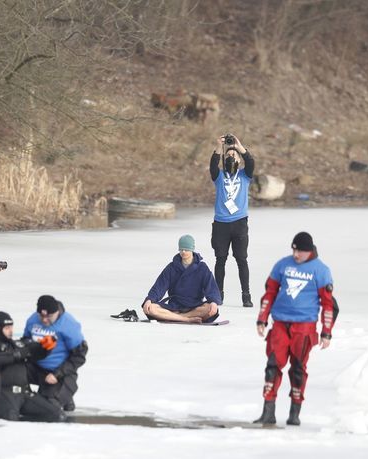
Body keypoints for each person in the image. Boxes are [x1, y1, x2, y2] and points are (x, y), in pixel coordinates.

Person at [253, 232, 336, 426]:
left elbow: (328, 304)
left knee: (298, 368)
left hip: (304, 326)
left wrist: (326, 332)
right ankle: (268, 412)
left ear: (309, 251)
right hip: (280, 324)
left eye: (300, 251)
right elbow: (269, 293)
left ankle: (294, 412)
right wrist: (262, 318)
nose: (296, 255)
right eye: (294, 250)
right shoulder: (282, 265)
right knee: (273, 365)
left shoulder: (321, 270)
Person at [0, 311, 63, 422]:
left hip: (23, 393)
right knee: (10, 419)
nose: (11, 331)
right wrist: (15, 356)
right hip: (0, 395)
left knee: (55, 414)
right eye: (7, 328)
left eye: (11, 327)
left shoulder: (16, 345)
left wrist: (45, 347)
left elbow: (33, 350)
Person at [210, 134, 255, 307]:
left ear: (239, 160)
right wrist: (218, 146)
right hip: (221, 224)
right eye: (228, 155)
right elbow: (212, 165)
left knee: (241, 259)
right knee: (220, 259)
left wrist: (239, 147)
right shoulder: (219, 177)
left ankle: (246, 295)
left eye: (234, 155)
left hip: (239, 223)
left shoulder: (245, 176)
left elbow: (250, 162)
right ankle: (218, 294)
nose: (231, 157)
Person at [23, 295, 88, 412]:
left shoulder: (68, 324)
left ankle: (64, 396)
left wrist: (57, 374)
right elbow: (25, 342)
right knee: (12, 375)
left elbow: (79, 356)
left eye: (49, 316)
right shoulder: (33, 320)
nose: (44, 320)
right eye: (41, 316)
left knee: (47, 408)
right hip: (36, 367)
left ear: (57, 312)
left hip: (59, 372)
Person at [141, 234, 222, 323]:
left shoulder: (202, 268)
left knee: (209, 308)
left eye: (186, 249)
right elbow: (159, 286)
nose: (183, 252)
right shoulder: (171, 267)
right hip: (174, 306)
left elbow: (211, 287)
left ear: (192, 249)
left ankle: (173, 317)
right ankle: (185, 318)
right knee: (151, 308)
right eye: (181, 249)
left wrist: (214, 302)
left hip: (194, 306)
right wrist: (149, 299)